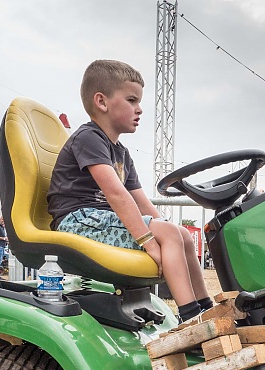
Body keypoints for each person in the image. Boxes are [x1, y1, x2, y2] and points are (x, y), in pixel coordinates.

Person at [47, 59, 212, 322]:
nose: (139, 109)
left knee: (181, 234)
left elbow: (141, 201)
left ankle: (207, 308)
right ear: (102, 102)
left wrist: (164, 228)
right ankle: (191, 318)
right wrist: (148, 240)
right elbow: (116, 194)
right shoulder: (88, 138)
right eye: (132, 100)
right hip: (77, 222)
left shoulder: (121, 152)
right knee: (169, 233)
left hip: (99, 222)